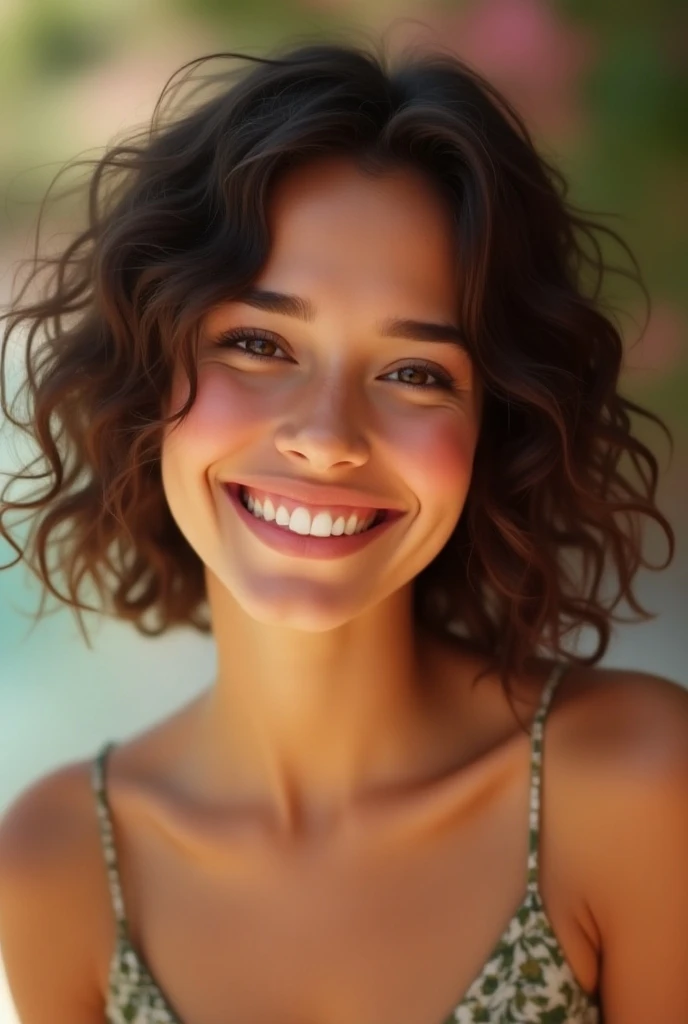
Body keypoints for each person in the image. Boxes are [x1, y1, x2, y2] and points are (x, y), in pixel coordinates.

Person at [0, 33, 686, 1024]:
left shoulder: (635, 787)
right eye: (258, 343)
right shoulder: (59, 861)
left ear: (493, 426)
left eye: (414, 373)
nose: (326, 439)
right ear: (150, 377)